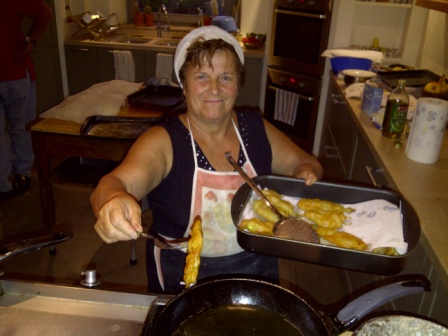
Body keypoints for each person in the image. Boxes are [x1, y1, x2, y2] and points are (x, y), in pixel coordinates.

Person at [91, 26, 323, 293]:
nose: (214, 88)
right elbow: (113, 183)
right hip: (182, 277)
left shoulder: (256, 129)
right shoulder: (164, 141)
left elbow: (306, 165)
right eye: (202, 76)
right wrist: (111, 202)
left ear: (237, 85)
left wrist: (306, 175)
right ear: (184, 86)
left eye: (225, 77)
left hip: (257, 270)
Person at [0, 0, 52, 201]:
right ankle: (3, 184)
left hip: (16, 74)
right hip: (12, 74)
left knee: (20, 127)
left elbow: (44, 12)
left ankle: (23, 173)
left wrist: (30, 41)